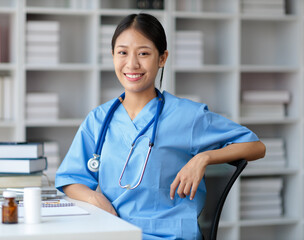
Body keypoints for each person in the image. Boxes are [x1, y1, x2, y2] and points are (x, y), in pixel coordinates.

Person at [55, 13, 266, 240]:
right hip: (115, 232)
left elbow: (256, 146)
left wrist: (203, 158)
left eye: (144, 53)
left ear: (162, 58)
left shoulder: (187, 116)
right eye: (123, 53)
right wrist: (98, 201)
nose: (132, 64)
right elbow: (71, 180)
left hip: (169, 235)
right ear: (113, 56)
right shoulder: (99, 119)